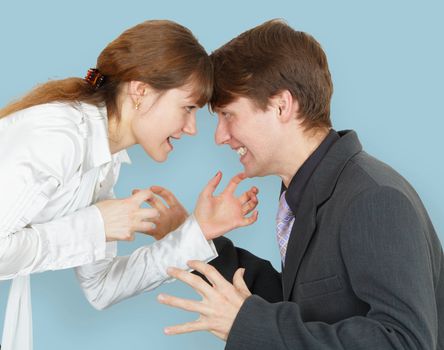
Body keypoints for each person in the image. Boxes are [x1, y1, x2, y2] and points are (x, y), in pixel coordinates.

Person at [157, 19, 444, 349]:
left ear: (281, 105)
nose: (220, 136)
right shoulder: (304, 193)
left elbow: (405, 342)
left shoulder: (374, 199)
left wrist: (248, 324)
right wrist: (193, 238)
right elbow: (301, 309)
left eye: (229, 115)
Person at [0, 20, 258, 350]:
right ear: (140, 91)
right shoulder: (57, 138)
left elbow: (102, 287)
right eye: (187, 108)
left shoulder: (102, 162)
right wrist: (95, 225)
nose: (192, 128)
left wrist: (198, 231)